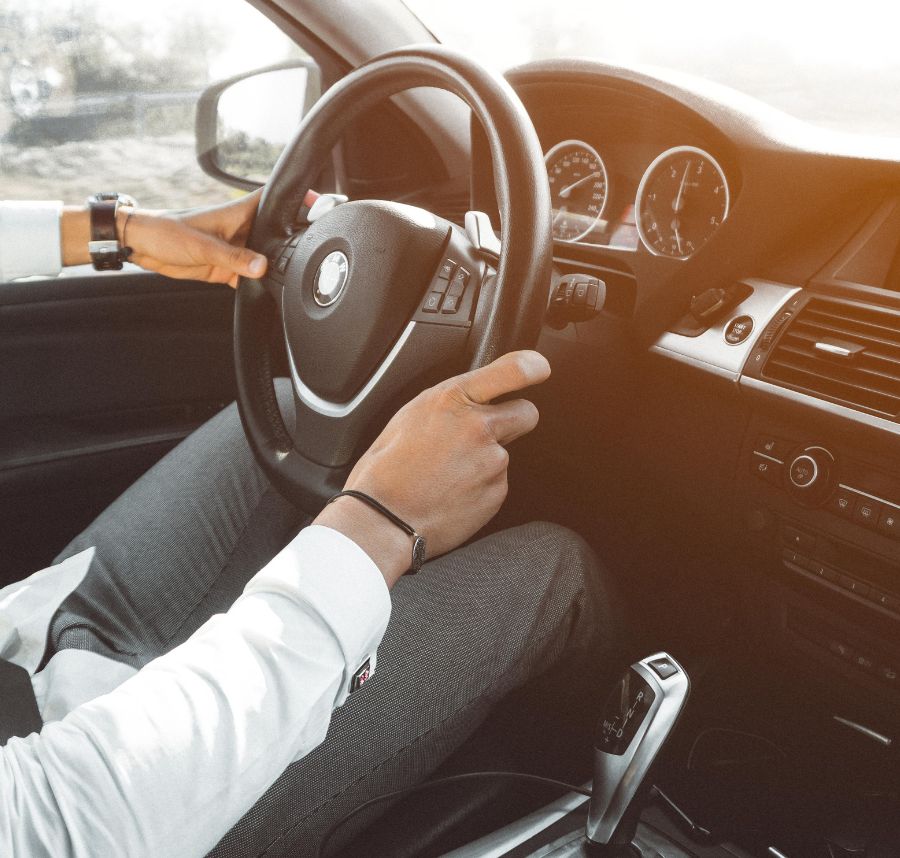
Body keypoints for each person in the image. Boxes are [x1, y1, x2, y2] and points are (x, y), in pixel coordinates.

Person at [0, 194, 618, 857]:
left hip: (24, 640)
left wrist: (107, 232)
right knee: (554, 572)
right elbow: (64, 825)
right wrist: (378, 521)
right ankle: (630, 784)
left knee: (293, 415)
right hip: (119, 807)